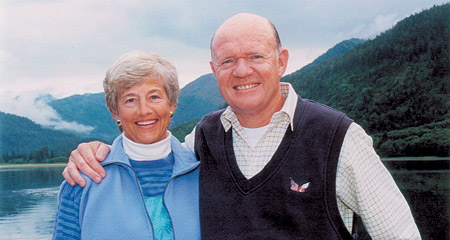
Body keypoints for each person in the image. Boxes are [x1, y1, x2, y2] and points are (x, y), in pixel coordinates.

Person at [63, 13, 421, 239]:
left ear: (280, 61)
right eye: (228, 60)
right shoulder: (203, 139)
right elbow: (150, 150)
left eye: (255, 56)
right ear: (213, 69)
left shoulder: (338, 137)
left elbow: (400, 234)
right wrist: (94, 152)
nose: (242, 71)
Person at [53, 51, 200, 240]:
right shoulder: (83, 179)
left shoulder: (204, 173)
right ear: (115, 112)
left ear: (172, 104)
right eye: (130, 100)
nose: (144, 110)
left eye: (154, 97)